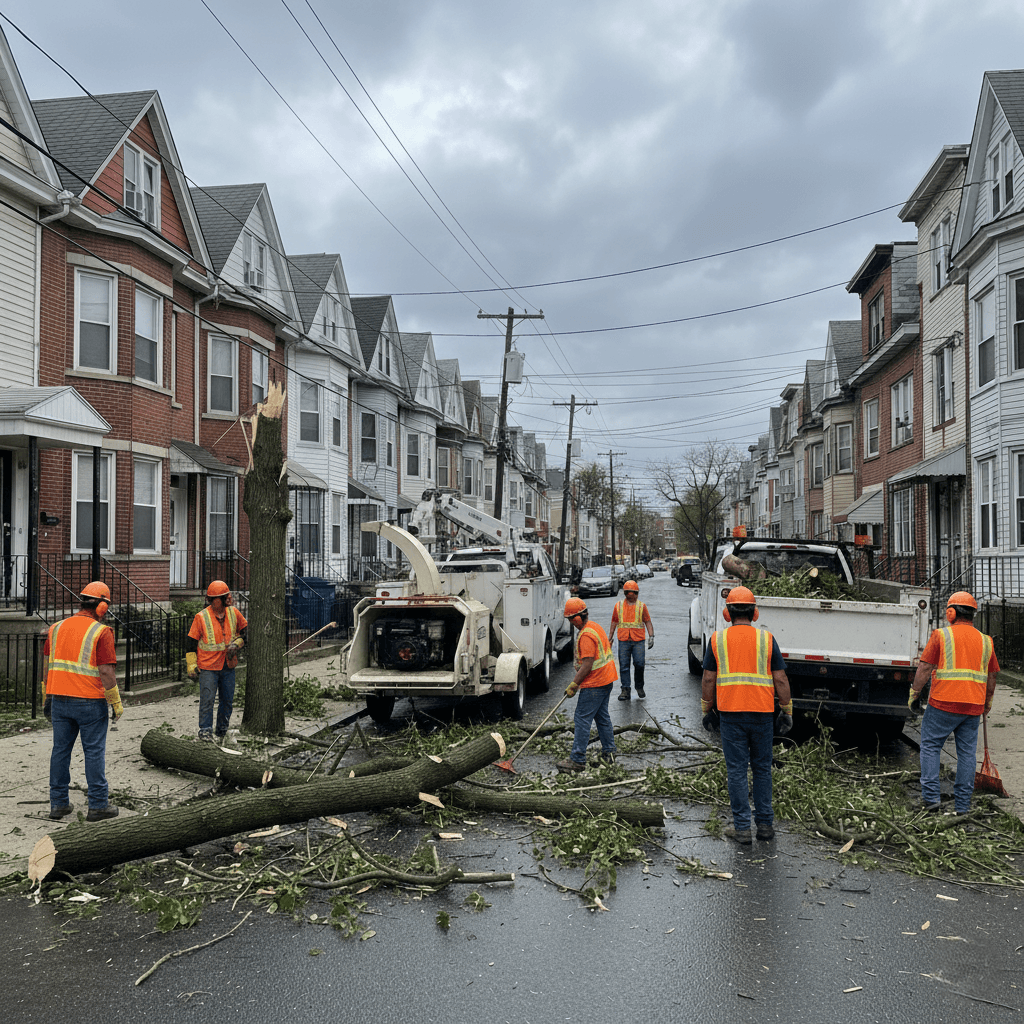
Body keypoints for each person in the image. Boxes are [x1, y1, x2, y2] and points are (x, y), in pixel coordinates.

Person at [701, 586, 792, 844]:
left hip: (730, 715)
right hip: (762, 714)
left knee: (737, 770)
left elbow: (708, 678)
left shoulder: (717, 640)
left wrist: (707, 708)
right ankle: (765, 826)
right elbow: (781, 678)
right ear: (755, 612)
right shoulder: (766, 639)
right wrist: (786, 709)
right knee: (762, 769)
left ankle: (742, 829)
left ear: (727, 614)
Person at [910, 591, 999, 815]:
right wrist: (987, 702)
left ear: (951, 613)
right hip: (972, 707)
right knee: (967, 754)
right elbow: (992, 676)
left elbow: (924, 668)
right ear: (973, 615)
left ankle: (931, 801)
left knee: (930, 747)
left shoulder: (941, 635)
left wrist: (915, 693)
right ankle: (962, 806)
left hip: (943, 704)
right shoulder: (986, 641)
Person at [44, 581, 123, 821]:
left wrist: (46, 694)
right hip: (89, 702)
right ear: (101, 606)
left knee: (60, 751)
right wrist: (116, 702)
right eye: (106, 607)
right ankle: (98, 805)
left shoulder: (56, 627)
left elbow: (47, 665)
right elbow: (106, 672)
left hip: (59, 699)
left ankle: (58, 804)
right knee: (93, 752)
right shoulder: (102, 631)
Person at [556, 597, 618, 773]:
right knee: (602, 717)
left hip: (596, 683)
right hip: (606, 680)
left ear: (578, 617)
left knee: (582, 719)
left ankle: (577, 759)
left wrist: (574, 684)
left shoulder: (586, 635)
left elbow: (588, 664)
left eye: (570, 619)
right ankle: (609, 752)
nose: (570, 623)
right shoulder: (594, 627)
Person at [186, 580, 247, 742]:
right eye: (223, 597)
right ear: (213, 600)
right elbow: (190, 643)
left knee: (227, 701)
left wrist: (237, 644)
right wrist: (191, 665)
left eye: (227, 596)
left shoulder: (234, 613)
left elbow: (245, 634)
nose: (228, 599)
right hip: (208, 667)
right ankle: (205, 731)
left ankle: (221, 731)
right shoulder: (201, 617)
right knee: (207, 700)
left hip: (228, 665)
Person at [609, 579, 654, 700]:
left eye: (633, 593)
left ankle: (639, 686)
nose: (631, 596)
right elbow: (614, 621)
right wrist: (610, 637)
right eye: (629, 593)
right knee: (624, 666)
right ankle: (625, 690)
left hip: (638, 640)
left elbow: (647, 621)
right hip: (623, 640)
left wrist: (651, 636)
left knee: (639, 664)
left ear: (636, 593)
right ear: (625, 593)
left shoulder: (641, 606)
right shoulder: (618, 606)